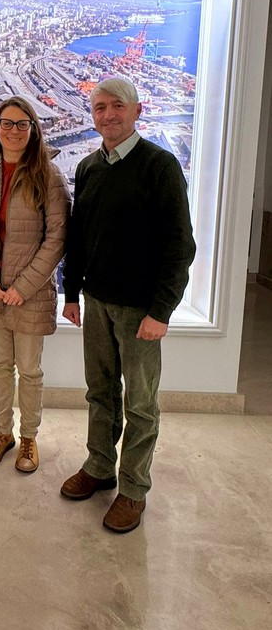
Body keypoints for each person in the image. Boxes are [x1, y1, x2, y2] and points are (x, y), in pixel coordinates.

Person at [61, 76, 196, 532]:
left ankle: (134, 489)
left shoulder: (160, 166)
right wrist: (72, 293)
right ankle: (99, 466)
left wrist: (162, 311)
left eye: (117, 105)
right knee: (99, 391)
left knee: (140, 403)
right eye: (99, 108)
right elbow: (79, 237)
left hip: (141, 309)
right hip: (97, 302)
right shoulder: (88, 167)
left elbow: (180, 245)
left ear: (137, 111)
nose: (108, 115)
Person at [0, 97, 70, 473]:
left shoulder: (49, 176)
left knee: (29, 370)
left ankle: (28, 437)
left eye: (22, 124)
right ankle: (2, 432)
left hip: (31, 295)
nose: (13, 131)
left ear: (33, 129)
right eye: (6, 123)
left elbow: (57, 238)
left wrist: (23, 287)